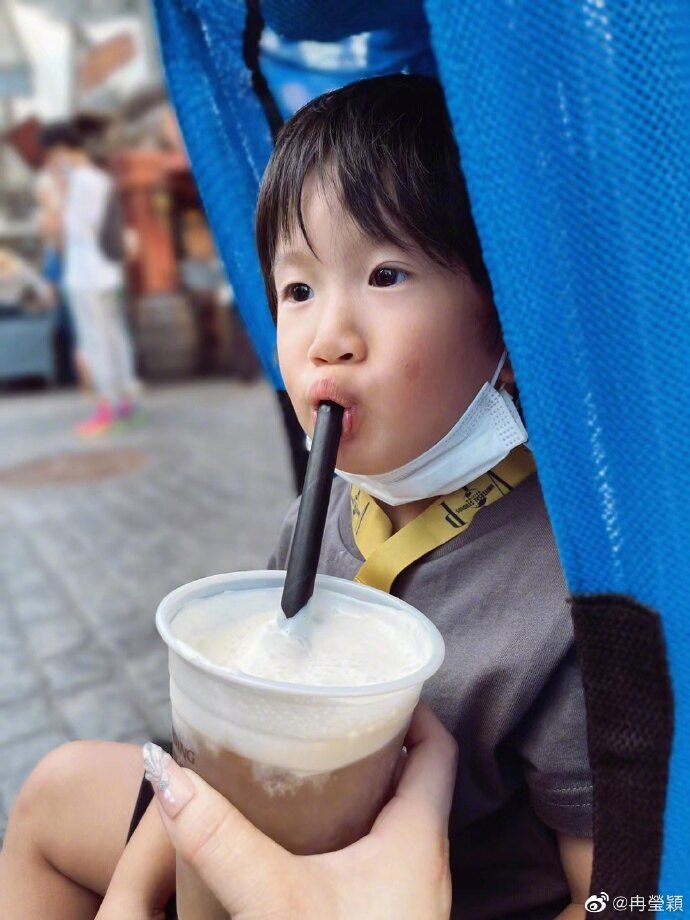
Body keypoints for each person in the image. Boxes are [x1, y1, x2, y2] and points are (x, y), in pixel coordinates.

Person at [0, 75, 593, 919]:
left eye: (385, 274)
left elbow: (619, 895)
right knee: (56, 793)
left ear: (504, 321)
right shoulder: (326, 516)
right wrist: (132, 894)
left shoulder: (565, 596)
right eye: (299, 290)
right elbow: (212, 763)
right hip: (266, 834)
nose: (327, 339)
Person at [40, 121, 141, 435]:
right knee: (115, 336)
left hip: (85, 275)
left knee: (95, 341)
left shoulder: (79, 183)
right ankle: (126, 403)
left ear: (60, 150)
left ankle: (107, 407)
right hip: (108, 272)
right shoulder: (100, 179)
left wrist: (57, 198)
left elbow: (70, 231)